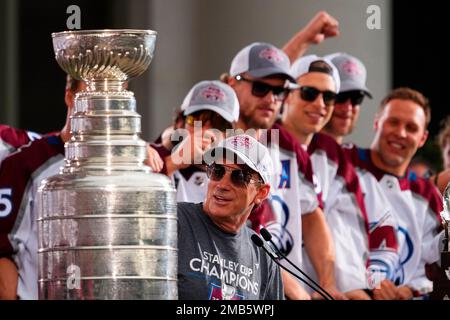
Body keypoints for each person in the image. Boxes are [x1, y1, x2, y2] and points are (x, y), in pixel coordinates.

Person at [222, 43, 343, 300]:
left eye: (279, 91)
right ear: (232, 84)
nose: (270, 99)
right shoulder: (211, 145)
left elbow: (311, 215)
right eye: (261, 88)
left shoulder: (287, 144)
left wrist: (327, 283)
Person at [284, 54, 399, 299]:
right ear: (287, 93)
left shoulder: (336, 158)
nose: (320, 103)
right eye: (308, 92)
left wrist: (362, 283)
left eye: (329, 96)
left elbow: (376, 229)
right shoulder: (264, 140)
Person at [343, 88, 445, 299]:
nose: (400, 133)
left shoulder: (427, 196)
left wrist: (408, 290)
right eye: (393, 122)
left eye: (411, 127)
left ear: (423, 138)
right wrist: (370, 280)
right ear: (377, 122)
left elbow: (431, 264)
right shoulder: (343, 162)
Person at [177, 134, 283, 300]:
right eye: (217, 171)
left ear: (261, 193)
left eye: (239, 177)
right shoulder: (175, 221)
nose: (222, 185)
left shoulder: (264, 257)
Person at [152, 80, 239, 203]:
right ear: (179, 123)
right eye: (196, 120)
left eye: (220, 124)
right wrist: (173, 162)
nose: (206, 131)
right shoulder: (151, 155)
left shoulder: (241, 176)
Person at [320, 52, 373, 144]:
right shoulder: (295, 150)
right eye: (340, 96)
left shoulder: (352, 156)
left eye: (356, 97)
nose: (347, 107)